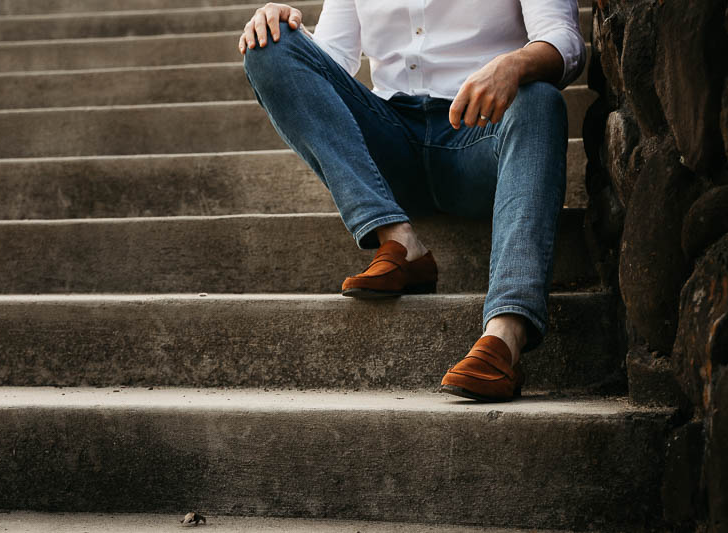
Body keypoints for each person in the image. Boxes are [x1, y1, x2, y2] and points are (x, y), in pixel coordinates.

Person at [239, 1, 585, 402]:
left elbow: (565, 40)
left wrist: (515, 64)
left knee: (540, 99)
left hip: (480, 138)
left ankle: (506, 333)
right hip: (391, 143)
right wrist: (283, 29)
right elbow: (332, 61)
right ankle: (398, 239)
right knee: (271, 46)